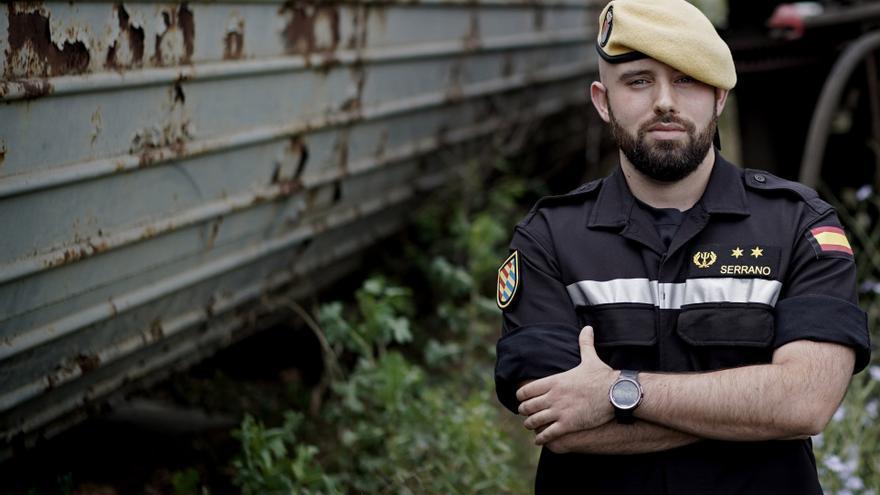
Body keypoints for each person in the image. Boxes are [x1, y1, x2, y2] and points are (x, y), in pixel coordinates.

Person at [493, 0, 872, 493]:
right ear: (603, 100)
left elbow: (805, 403)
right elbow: (557, 422)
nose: (665, 101)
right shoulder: (549, 237)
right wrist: (749, 411)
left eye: (687, 79)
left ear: (718, 97)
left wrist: (615, 392)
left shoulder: (799, 225)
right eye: (639, 81)